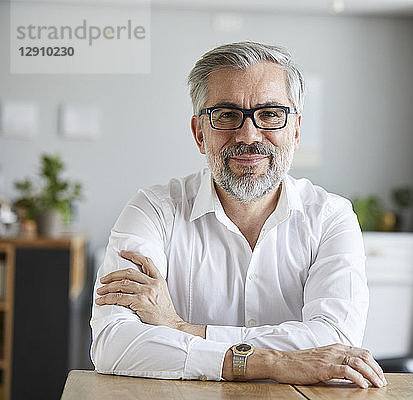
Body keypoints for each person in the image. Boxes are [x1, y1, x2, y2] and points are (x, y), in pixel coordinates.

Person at [90, 41, 387, 389]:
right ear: (200, 133)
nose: (248, 135)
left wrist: (181, 329)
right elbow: (112, 344)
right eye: (227, 115)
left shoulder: (331, 217)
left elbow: (335, 337)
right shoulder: (152, 210)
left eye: (271, 114)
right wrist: (271, 362)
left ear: (295, 130)